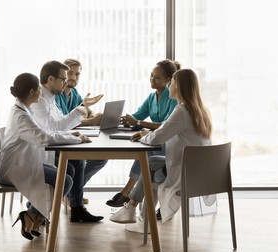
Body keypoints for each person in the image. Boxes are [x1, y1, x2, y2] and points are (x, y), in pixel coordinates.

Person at [109, 69, 217, 233]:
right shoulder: (201, 110)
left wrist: (144, 135)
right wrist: (150, 134)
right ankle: (136, 213)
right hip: (200, 173)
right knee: (152, 165)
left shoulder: (182, 110)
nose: (169, 86)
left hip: (185, 173)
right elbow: (164, 133)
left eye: (171, 82)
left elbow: (156, 139)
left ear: (178, 86)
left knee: (150, 167)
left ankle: (133, 210)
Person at [0, 73, 100, 241]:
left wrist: (68, 134)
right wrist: (74, 138)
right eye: (38, 88)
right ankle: (33, 215)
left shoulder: (23, 109)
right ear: (32, 91)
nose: (40, 91)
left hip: (23, 163)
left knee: (65, 171)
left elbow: (44, 132)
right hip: (15, 169)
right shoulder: (22, 115)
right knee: (65, 181)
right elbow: (43, 138)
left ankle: (34, 213)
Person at [30, 60, 104, 223]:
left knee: (76, 162)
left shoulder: (50, 98)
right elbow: (54, 127)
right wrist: (80, 110)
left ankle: (76, 209)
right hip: (38, 152)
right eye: (63, 79)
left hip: (46, 146)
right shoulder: (41, 99)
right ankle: (36, 210)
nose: (66, 83)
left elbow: (60, 123)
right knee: (71, 166)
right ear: (50, 79)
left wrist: (72, 133)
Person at [106, 59, 180, 209]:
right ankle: (131, 196)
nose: (152, 79)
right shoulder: (152, 97)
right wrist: (126, 120)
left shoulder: (172, 98)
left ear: (168, 80)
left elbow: (166, 125)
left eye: (157, 77)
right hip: (155, 140)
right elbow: (139, 115)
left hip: (168, 143)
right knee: (145, 152)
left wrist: (138, 123)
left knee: (146, 153)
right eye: (151, 75)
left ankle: (128, 193)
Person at [56, 58, 108, 188]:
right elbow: (65, 123)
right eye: (70, 73)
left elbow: (86, 112)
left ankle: (73, 192)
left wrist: (97, 116)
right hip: (61, 141)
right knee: (81, 159)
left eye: (77, 74)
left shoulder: (74, 94)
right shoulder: (56, 95)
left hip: (74, 137)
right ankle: (72, 193)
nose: (73, 77)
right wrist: (91, 122)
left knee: (101, 158)